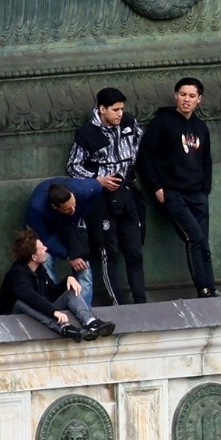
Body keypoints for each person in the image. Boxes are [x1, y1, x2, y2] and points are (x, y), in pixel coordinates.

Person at [138, 77, 216, 296]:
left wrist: (205, 189)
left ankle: (212, 287)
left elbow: (206, 159)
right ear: (175, 96)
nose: (186, 100)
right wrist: (157, 187)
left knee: (204, 244)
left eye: (191, 96)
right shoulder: (162, 123)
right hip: (174, 193)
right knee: (195, 238)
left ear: (199, 99)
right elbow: (145, 156)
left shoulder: (200, 127)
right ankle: (203, 290)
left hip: (198, 193)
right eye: (182, 94)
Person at [69, 86, 147, 304]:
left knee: (134, 251)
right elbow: (73, 165)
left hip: (126, 191)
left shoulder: (129, 123)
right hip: (101, 198)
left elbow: (140, 148)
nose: (119, 114)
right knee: (108, 253)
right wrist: (98, 180)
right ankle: (118, 303)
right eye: (115, 110)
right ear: (102, 109)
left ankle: (141, 300)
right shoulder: (86, 133)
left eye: (122, 109)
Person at [0, 230, 110, 341]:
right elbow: (31, 297)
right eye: (42, 248)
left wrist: (69, 279)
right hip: (14, 316)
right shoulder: (17, 274)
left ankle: (90, 322)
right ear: (34, 257)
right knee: (23, 302)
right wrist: (53, 312)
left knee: (70, 292)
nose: (46, 249)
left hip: (40, 310)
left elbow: (52, 292)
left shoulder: (39, 270)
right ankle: (63, 328)